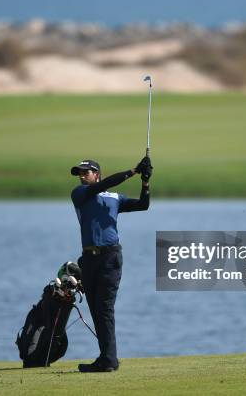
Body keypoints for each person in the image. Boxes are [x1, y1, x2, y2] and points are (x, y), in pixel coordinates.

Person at [70, 157, 152, 372]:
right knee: (96, 310)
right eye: (80, 172)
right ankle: (107, 358)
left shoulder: (115, 198)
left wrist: (145, 181)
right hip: (88, 259)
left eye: (86, 172)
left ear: (96, 173)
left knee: (104, 309)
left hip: (109, 258)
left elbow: (143, 205)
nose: (81, 175)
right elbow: (105, 185)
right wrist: (132, 171)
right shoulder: (80, 194)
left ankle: (108, 360)